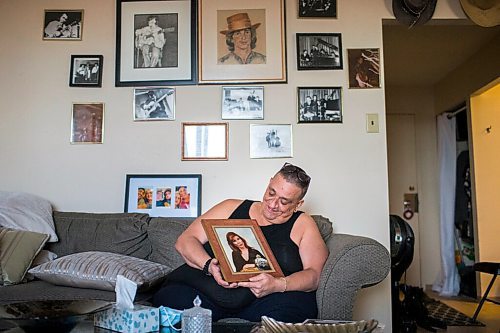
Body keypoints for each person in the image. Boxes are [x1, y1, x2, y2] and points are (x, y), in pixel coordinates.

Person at [153, 163, 328, 323]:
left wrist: (278, 285)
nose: (273, 204)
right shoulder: (230, 207)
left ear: (298, 204)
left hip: (267, 301)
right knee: (171, 299)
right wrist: (208, 265)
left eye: (284, 201)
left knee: (291, 312)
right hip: (205, 292)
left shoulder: (304, 223)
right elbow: (185, 240)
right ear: (268, 184)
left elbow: (314, 275)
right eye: (271, 193)